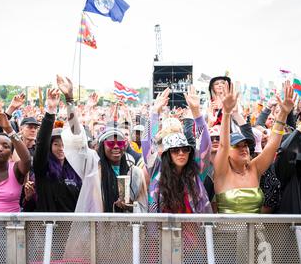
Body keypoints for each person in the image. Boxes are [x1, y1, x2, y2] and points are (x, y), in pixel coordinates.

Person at [57, 75, 148, 213]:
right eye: (111, 143)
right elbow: (77, 137)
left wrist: (129, 206)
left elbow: (142, 206)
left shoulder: (134, 172)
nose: (116, 146)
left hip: (126, 231)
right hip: (98, 230)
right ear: (102, 145)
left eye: (120, 143)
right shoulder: (92, 166)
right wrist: (69, 100)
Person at [213, 81, 294, 213]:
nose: (244, 148)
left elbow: (272, 146)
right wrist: (227, 112)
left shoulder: (254, 169)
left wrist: (283, 114)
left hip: (256, 233)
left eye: (245, 145)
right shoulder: (222, 173)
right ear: (227, 153)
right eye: (237, 146)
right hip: (228, 233)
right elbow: (223, 145)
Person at [148, 86, 212, 213]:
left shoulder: (196, 172)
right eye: (175, 150)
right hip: (162, 232)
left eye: (185, 149)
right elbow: (147, 144)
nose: (181, 153)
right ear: (167, 154)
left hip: (194, 233)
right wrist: (155, 112)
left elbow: (205, 145)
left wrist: (196, 112)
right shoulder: (156, 171)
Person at [33, 88, 82, 212]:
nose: (61, 149)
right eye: (56, 144)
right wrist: (50, 112)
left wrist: (70, 100)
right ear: (49, 147)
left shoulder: (75, 169)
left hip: (72, 228)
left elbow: (78, 137)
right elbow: (42, 142)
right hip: (48, 227)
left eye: (65, 144)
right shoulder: (42, 169)